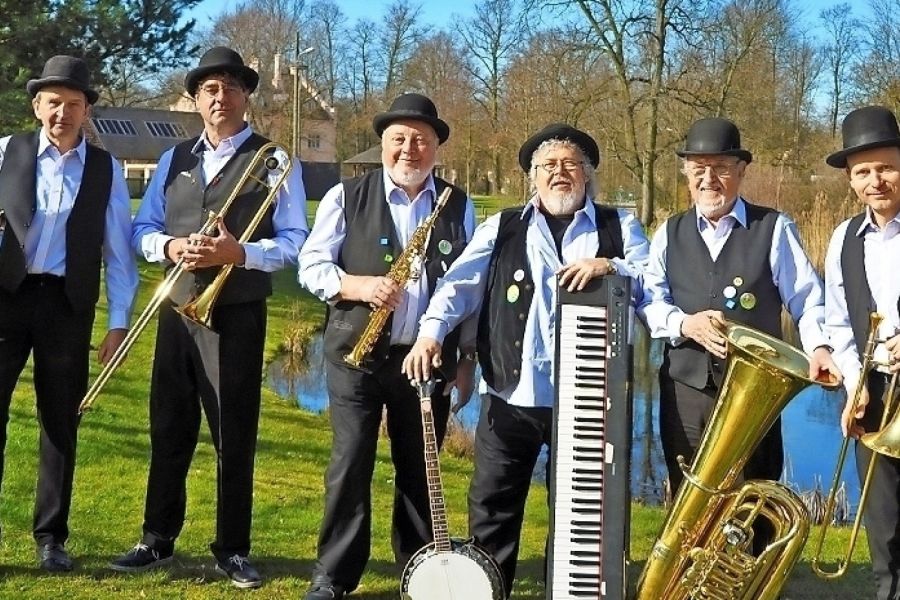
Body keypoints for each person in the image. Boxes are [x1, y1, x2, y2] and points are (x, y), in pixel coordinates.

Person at [402, 123, 650, 596]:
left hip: (591, 402)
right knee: (491, 510)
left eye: (570, 164)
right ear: (532, 177)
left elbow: (652, 282)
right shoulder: (502, 226)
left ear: (587, 174)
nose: (560, 173)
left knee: (582, 520)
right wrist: (431, 333)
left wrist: (611, 266)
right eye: (548, 165)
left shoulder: (620, 227)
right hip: (510, 394)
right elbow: (458, 285)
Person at [109, 46, 308, 589]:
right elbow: (142, 229)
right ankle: (156, 538)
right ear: (196, 100)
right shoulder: (173, 159)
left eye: (231, 88)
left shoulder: (275, 160)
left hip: (237, 316)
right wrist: (171, 247)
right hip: (178, 310)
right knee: (168, 426)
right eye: (210, 89)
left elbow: (295, 241)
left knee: (233, 433)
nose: (221, 97)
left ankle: (233, 549)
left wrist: (239, 254)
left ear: (246, 97)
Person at [297, 92, 476, 600]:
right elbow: (311, 266)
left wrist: (465, 358)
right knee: (350, 463)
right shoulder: (345, 196)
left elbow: (469, 288)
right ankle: (334, 575)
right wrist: (358, 286)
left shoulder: (459, 205)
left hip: (425, 359)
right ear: (382, 144)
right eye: (399, 139)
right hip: (355, 355)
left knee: (420, 470)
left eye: (421, 140)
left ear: (436, 147)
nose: (409, 149)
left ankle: (418, 573)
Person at [637, 117, 841, 498]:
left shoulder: (775, 228)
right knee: (687, 499)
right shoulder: (668, 232)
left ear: (742, 170)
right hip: (684, 391)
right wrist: (684, 324)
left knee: (753, 502)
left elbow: (808, 300)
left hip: (754, 397)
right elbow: (649, 301)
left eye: (721, 168)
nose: (708, 179)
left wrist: (818, 348)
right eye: (698, 169)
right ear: (686, 173)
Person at [0, 55, 138, 572]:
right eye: (53, 102)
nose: (63, 113)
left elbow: (119, 252)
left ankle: (51, 538)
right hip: (5, 298)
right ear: (37, 106)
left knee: (61, 423)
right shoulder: (5, 152)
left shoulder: (106, 169)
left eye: (73, 104)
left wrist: (118, 322)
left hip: (66, 305)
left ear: (87, 111)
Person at [824, 105, 900, 600]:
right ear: (851, 179)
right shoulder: (842, 239)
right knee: (883, 526)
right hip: (875, 391)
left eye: (886, 168)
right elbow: (838, 323)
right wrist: (854, 385)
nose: (876, 181)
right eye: (863, 172)